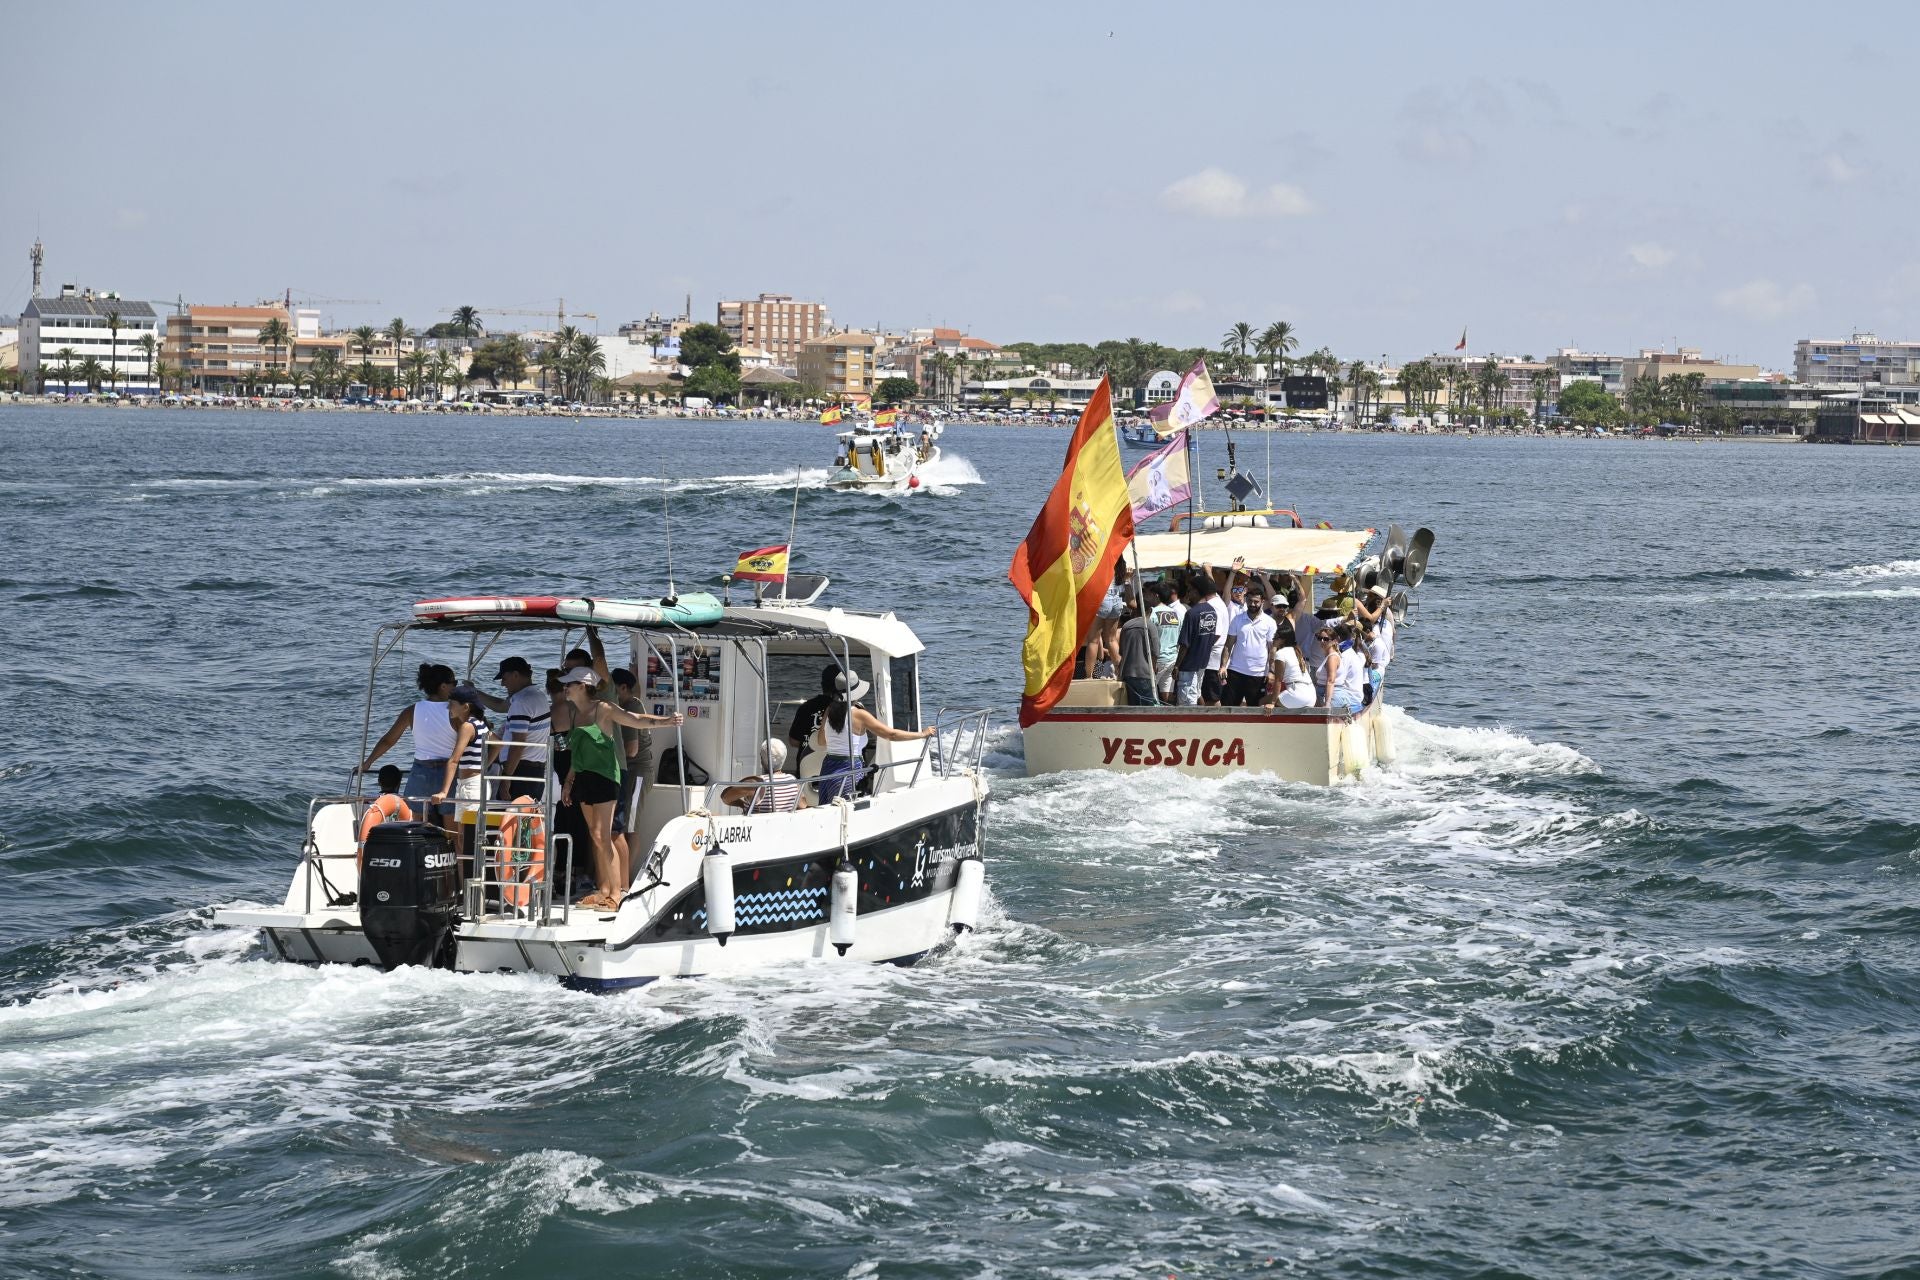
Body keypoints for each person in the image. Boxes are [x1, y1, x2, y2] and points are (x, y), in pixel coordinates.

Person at [558, 667, 683, 913]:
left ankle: (616, 894)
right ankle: (604, 890)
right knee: (595, 836)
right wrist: (569, 781)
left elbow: (635, 720)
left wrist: (667, 721)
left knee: (604, 836)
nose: (564, 689)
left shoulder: (602, 708)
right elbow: (577, 753)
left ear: (583, 686)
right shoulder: (575, 713)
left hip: (605, 778)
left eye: (569, 684)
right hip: (584, 778)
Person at [811, 672, 935, 803]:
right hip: (849, 768)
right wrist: (922, 734)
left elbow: (821, 741)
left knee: (828, 810)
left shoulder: (830, 710)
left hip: (828, 768)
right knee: (848, 810)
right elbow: (891, 734)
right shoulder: (860, 714)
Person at [358, 663, 458, 811]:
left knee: (417, 821)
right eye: (454, 683)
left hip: (421, 772)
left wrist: (368, 763)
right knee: (452, 827)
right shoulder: (456, 712)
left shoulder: (412, 710)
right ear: (443, 686)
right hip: (448, 773)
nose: (455, 687)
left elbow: (388, 740)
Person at [474, 655, 550, 800]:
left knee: (510, 819)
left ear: (515, 675)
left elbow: (518, 744)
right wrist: (475, 693)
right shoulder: (537, 695)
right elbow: (501, 705)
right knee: (526, 819)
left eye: (504, 678)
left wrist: (506, 779)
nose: (503, 684)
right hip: (535, 770)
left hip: (520, 771)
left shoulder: (521, 703)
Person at [430, 687, 495, 850]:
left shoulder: (467, 726)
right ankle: (469, 874)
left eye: (452, 703)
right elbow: (498, 743)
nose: (448, 707)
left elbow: (454, 760)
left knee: (466, 840)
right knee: (467, 839)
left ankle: (470, 874)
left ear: (466, 706)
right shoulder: (482, 724)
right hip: (476, 784)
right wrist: (485, 765)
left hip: (470, 787)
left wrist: (444, 792)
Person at [609, 667, 656, 853]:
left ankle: (627, 878)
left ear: (622, 688)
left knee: (630, 828)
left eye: (611, 688)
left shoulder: (629, 708)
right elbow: (636, 690)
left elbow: (631, 750)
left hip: (637, 773)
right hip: (635, 772)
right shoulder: (632, 702)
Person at [1173, 569, 1225, 706]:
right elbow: (1214, 636)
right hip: (1202, 663)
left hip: (1189, 665)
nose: (1188, 593)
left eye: (1190, 590)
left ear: (1196, 591)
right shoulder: (1212, 611)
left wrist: (1177, 666)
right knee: (1196, 694)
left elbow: (1185, 644)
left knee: (1187, 702)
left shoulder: (1192, 613)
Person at [1219, 587, 1278, 707]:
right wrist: (1223, 666)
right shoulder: (1237, 619)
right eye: (1250, 600)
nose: (1252, 604)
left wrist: (1271, 671)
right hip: (1235, 671)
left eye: (1256, 601)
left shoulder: (1270, 622)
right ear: (1246, 600)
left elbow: (1272, 649)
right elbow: (1228, 645)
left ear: (1262, 601)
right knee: (1228, 707)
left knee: (1256, 710)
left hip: (1258, 674)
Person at [720, 738, 808, 813]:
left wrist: (743, 805)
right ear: (783, 759)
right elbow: (803, 806)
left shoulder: (755, 783)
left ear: (762, 760)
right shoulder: (792, 781)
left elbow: (725, 797)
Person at [357, 765, 415, 868]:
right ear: (399, 783)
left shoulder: (370, 800)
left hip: (373, 846)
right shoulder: (404, 802)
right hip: (398, 846)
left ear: (379, 782)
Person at [786, 664, 843, 768]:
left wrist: (810, 744)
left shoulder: (805, 707)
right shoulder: (846, 709)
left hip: (805, 768)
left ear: (822, 685)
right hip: (833, 770)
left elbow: (793, 741)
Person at [1117, 596, 1158, 706]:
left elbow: (1121, 652)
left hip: (1127, 673)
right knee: (1147, 710)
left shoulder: (1126, 626)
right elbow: (1155, 652)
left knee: (1132, 708)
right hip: (1144, 674)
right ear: (1149, 610)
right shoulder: (1150, 626)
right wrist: (1154, 669)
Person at [1148, 581, 1186, 701]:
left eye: (1150, 594)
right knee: (1167, 695)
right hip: (1172, 659)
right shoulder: (1175, 614)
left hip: (1157, 660)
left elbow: (1148, 638)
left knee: (1149, 693)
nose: (1148, 597)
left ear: (1156, 595)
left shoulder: (1152, 613)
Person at [1269, 622, 1316, 710]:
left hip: (1297, 694)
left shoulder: (1280, 654)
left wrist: (1272, 703)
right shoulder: (1297, 651)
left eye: (1275, 637)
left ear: (1283, 640)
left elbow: (1278, 680)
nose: (1273, 639)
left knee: (1262, 701)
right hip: (1311, 696)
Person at [1322, 622, 1367, 712]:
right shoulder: (1351, 652)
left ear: (1337, 638)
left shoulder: (1345, 656)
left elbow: (1333, 679)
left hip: (1350, 698)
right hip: (1356, 696)